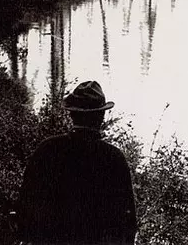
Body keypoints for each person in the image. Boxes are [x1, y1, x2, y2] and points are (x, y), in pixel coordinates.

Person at [17, 80, 137, 245]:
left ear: (72, 114)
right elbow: (128, 222)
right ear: (101, 117)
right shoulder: (114, 158)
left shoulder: (47, 150)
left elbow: (24, 208)